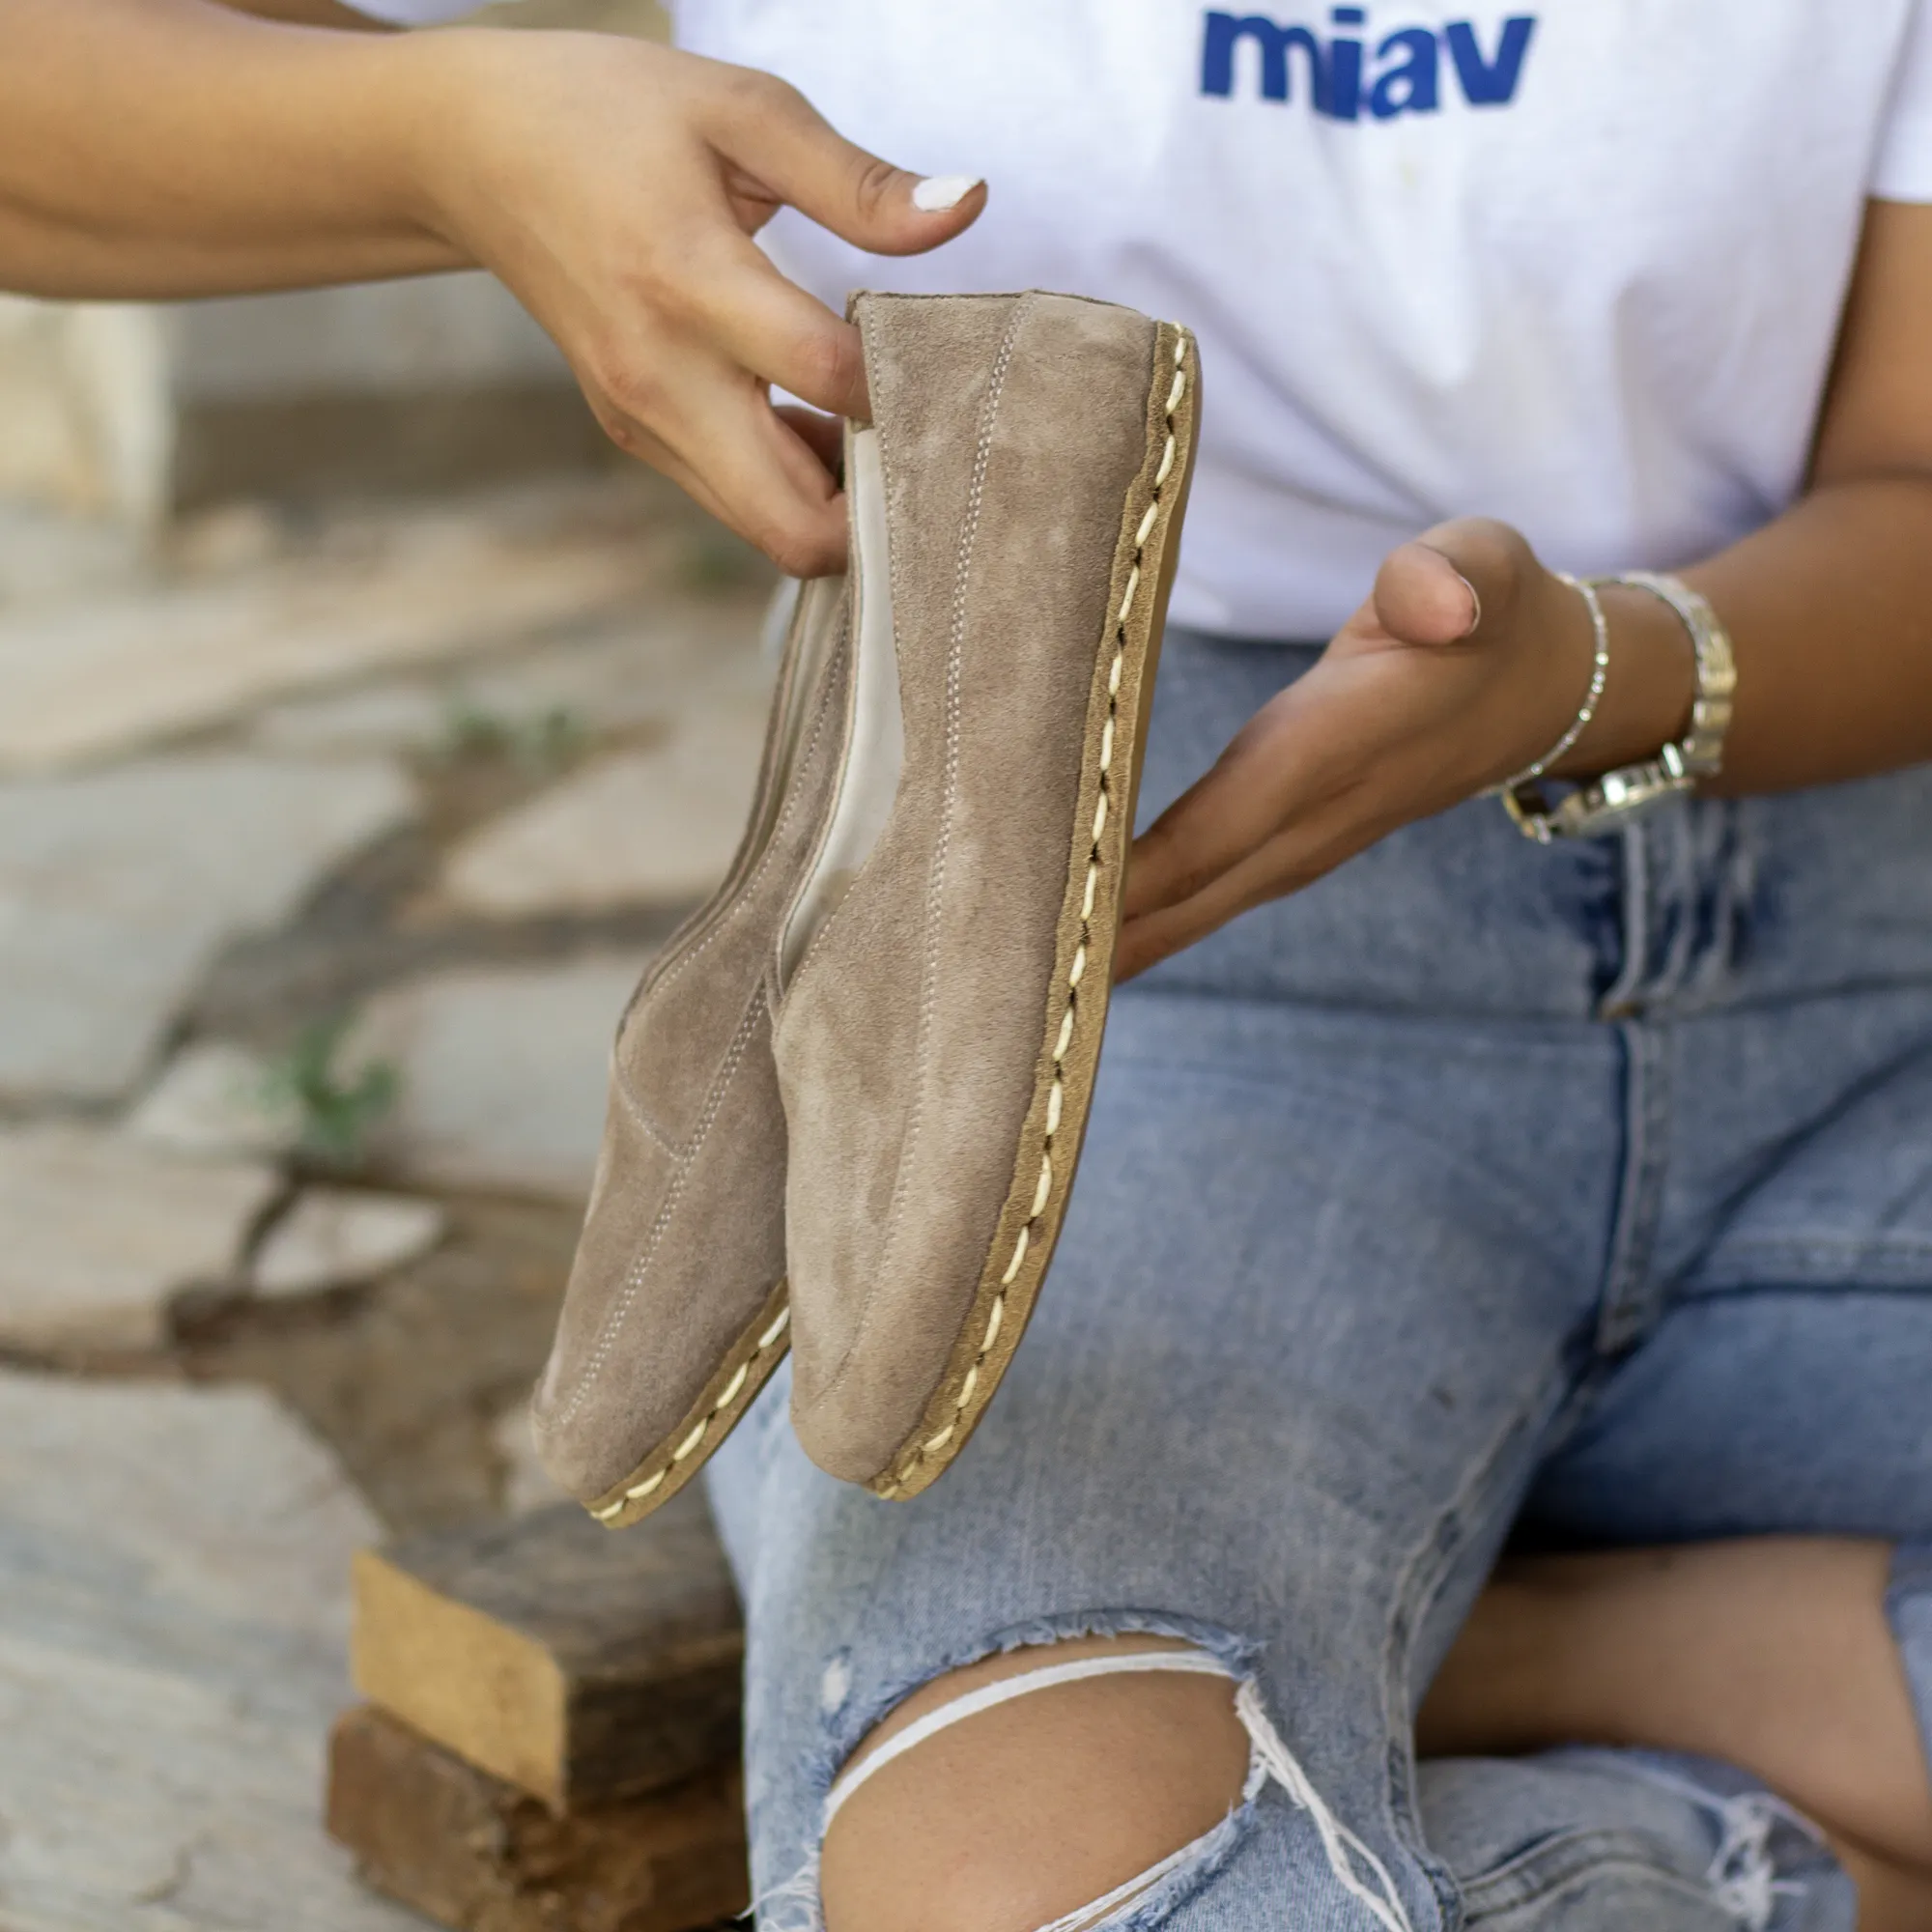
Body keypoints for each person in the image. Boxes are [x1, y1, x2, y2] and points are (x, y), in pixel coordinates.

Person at [10, 3, 1932, 1926]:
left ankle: (1515, 1645)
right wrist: (448, 128)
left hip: (1873, 1002)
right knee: (1058, 1889)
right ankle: (1785, 1819)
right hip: (1120, 998)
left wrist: (1604, 669)